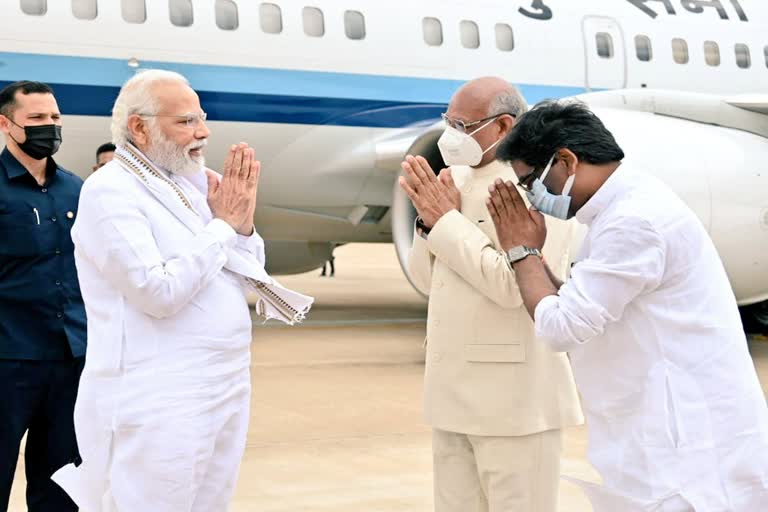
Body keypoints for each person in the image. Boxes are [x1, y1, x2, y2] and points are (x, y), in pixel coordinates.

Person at [486, 100, 768, 511]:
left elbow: (561, 326)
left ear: (565, 160)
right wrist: (532, 257)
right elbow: (582, 303)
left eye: (530, 182)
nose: (531, 198)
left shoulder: (633, 222)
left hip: (686, 457)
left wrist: (520, 250)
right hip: (665, 442)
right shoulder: (621, 210)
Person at [51, 70, 312, 512]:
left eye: (202, 118)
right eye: (186, 122)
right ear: (139, 127)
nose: (203, 132)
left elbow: (246, 264)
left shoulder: (192, 181)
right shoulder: (109, 191)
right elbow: (157, 292)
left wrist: (241, 225)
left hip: (223, 385)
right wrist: (222, 228)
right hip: (159, 398)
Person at [398, 77, 582, 512]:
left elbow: (513, 287)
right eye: (448, 122)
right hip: (450, 399)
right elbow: (427, 281)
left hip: (514, 408)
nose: (451, 135)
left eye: (463, 125)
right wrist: (428, 226)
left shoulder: (543, 185)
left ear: (502, 127)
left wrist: (445, 222)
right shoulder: (454, 181)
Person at [0, 81, 85, 511]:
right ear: (6, 124)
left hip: (70, 361)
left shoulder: (77, 189)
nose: (48, 127)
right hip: (7, 360)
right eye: (36, 119)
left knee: (62, 485)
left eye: (54, 118)